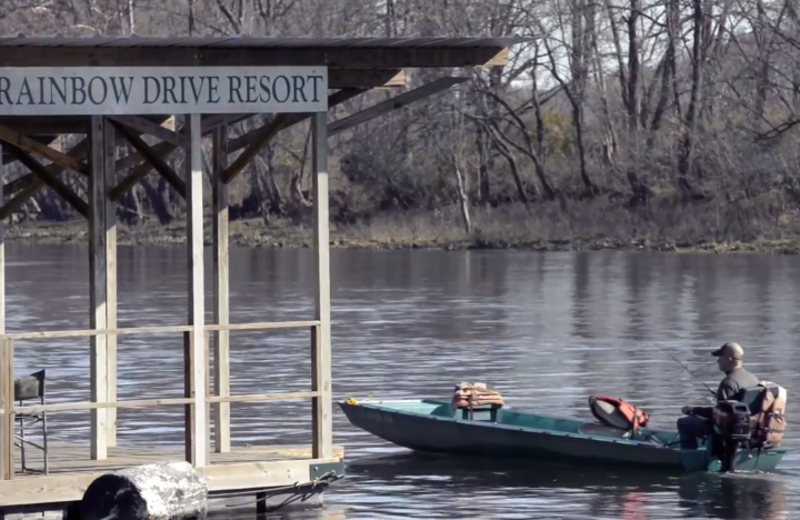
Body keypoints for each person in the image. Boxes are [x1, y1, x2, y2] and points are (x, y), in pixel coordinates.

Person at [676, 342, 760, 449]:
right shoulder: (753, 378)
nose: (718, 360)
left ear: (729, 359)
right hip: (748, 430)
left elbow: (717, 415)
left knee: (684, 423)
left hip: (727, 430)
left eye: (721, 357)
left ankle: (689, 457)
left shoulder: (728, 382)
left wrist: (692, 410)